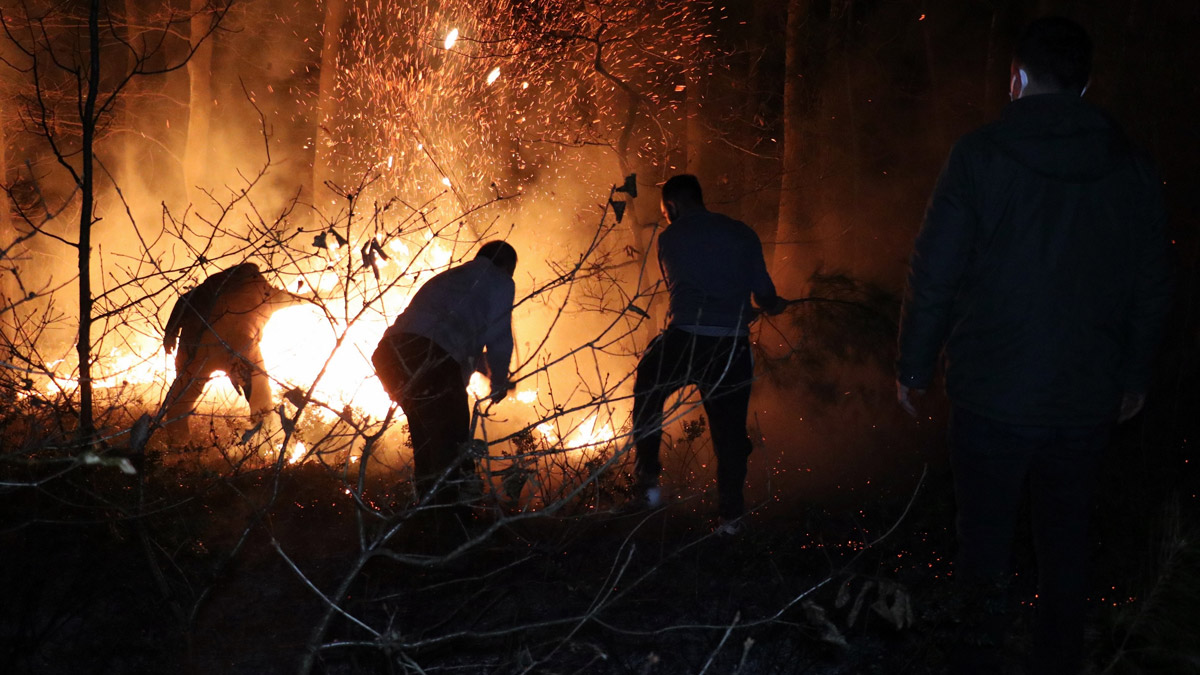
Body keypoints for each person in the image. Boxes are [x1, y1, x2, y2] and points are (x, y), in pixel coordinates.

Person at [896, 17, 1171, 675]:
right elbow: (1153, 283)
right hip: (1085, 397)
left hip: (991, 394)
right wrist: (1133, 374)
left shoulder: (979, 155)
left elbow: (935, 271)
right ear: (1086, 83)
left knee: (983, 546)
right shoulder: (1133, 167)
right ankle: (1058, 661)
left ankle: (977, 661)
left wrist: (913, 365)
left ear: (1016, 78)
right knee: (1067, 545)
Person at [630, 174, 785, 533]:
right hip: (730, 345)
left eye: (666, 212)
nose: (667, 218)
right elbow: (763, 294)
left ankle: (648, 484)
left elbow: (681, 289)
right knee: (729, 433)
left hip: (685, 339)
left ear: (672, 206)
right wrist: (771, 305)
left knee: (648, 389)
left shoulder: (669, 238)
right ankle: (731, 518)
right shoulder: (743, 233)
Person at [372, 241, 516, 507]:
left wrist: (486, 369)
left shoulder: (451, 278)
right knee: (454, 445)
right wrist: (499, 380)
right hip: (430, 356)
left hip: (390, 355)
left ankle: (427, 513)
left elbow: (456, 345)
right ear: (507, 266)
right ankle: (453, 518)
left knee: (429, 438)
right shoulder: (500, 280)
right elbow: (499, 336)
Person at [161, 262, 306, 444]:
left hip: (196, 348)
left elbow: (184, 301)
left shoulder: (212, 284)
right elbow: (294, 298)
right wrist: (323, 295)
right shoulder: (262, 289)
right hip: (238, 350)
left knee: (182, 398)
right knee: (259, 393)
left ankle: (176, 443)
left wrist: (170, 332)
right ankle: (265, 441)